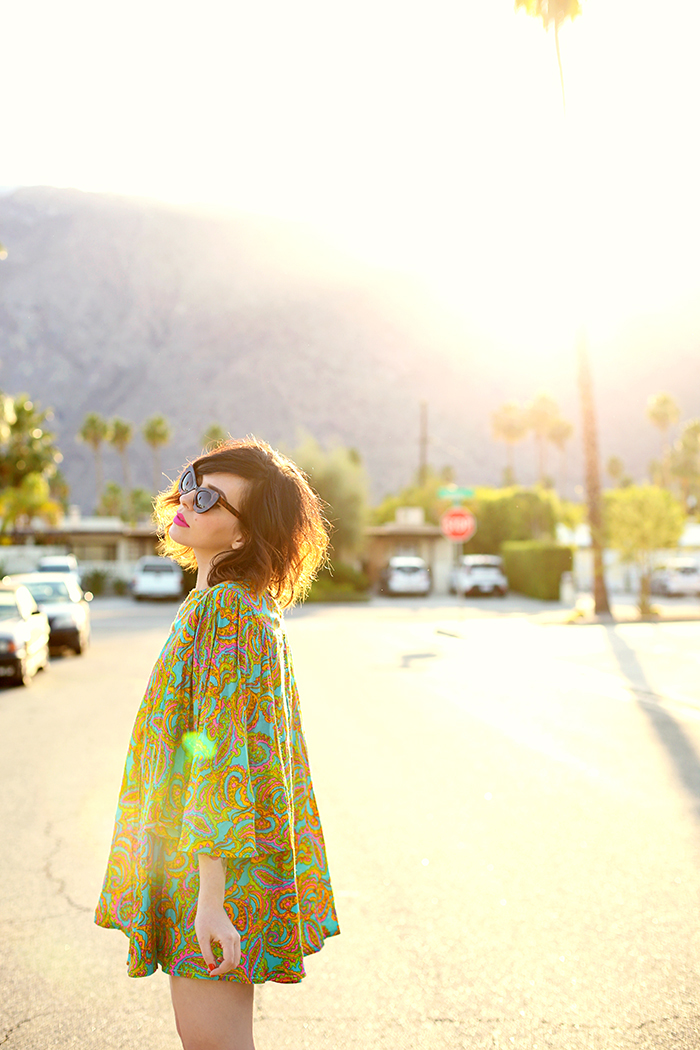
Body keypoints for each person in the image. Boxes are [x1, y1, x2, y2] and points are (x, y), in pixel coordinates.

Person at [95, 438, 339, 1050]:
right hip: (212, 860)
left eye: (210, 498)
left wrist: (212, 900)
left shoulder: (227, 613)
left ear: (241, 537)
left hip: (209, 868)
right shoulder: (227, 605)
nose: (187, 500)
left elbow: (218, 759)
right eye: (190, 481)